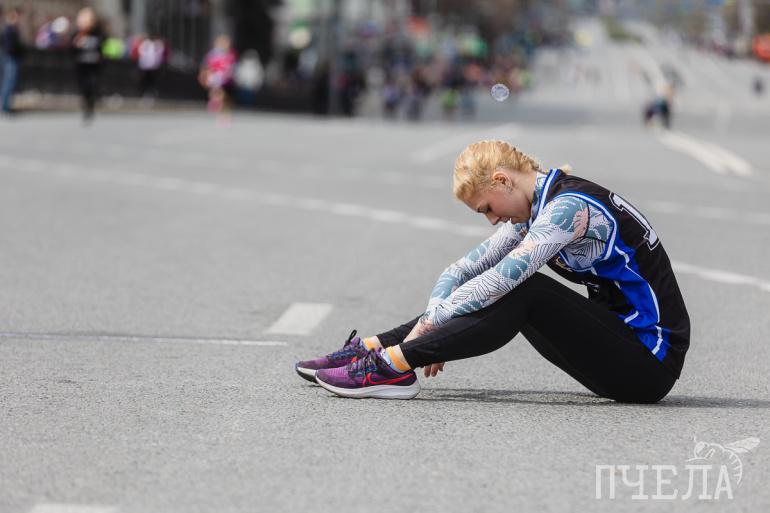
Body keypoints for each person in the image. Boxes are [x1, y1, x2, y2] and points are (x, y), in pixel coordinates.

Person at [296, 140, 690, 403]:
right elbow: (460, 272)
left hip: (649, 364)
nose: (491, 220)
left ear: (502, 180)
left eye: (487, 208)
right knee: (493, 289)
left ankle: (394, 366)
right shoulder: (534, 210)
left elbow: (502, 279)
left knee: (524, 289)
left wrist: (429, 330)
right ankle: (373, 349)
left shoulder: (569, 209)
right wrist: (432, 326)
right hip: (617, 353)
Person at [70, 7, 104, 122]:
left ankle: (91, 105)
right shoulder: (77, 35)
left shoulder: (97, 34)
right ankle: (86, 104)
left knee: (92, 85)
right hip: (82, 65)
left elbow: (101, 47)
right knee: (83, 87)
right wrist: (76, 44)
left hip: (93, 65)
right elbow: (71, 50)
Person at [198, 35, 236, 120]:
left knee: (222, 92)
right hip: (215, 75)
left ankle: (219, 103)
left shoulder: (230, 54)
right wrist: (203, 74)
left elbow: (231, 66)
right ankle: (215, 102)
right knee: (216, 89)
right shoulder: (212, 54)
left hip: (225, 77)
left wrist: (228, 74)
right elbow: (206, 64)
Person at [0, 7, 24, 115]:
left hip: (12, 57)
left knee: (10, 82)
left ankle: (6, 105)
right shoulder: (9, 29)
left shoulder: (13, 29)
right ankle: (5, 107)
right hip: (10, 58)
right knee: (8, 82)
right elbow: (9, 46)